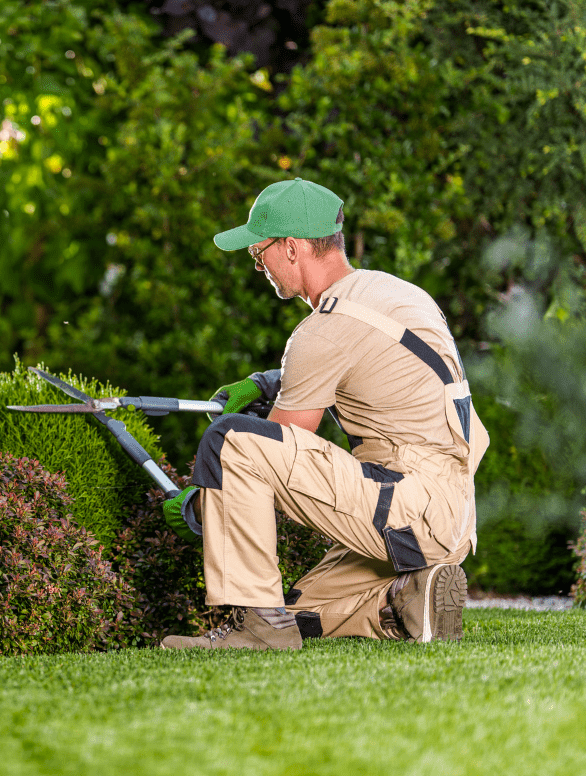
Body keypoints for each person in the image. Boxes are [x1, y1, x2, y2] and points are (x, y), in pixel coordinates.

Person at [160, 177, 489, 650]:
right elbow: (369, 370)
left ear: (292, 248)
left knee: (230, 440)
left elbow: (273, 456)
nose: (258, 263)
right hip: (449, 515)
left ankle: (260, 631)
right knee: (296, 611)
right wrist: (267, 382)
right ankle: (405, 597)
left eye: (260, 250)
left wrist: (200, 505)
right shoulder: (392, 294)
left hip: (408, 508)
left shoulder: (323, 328)